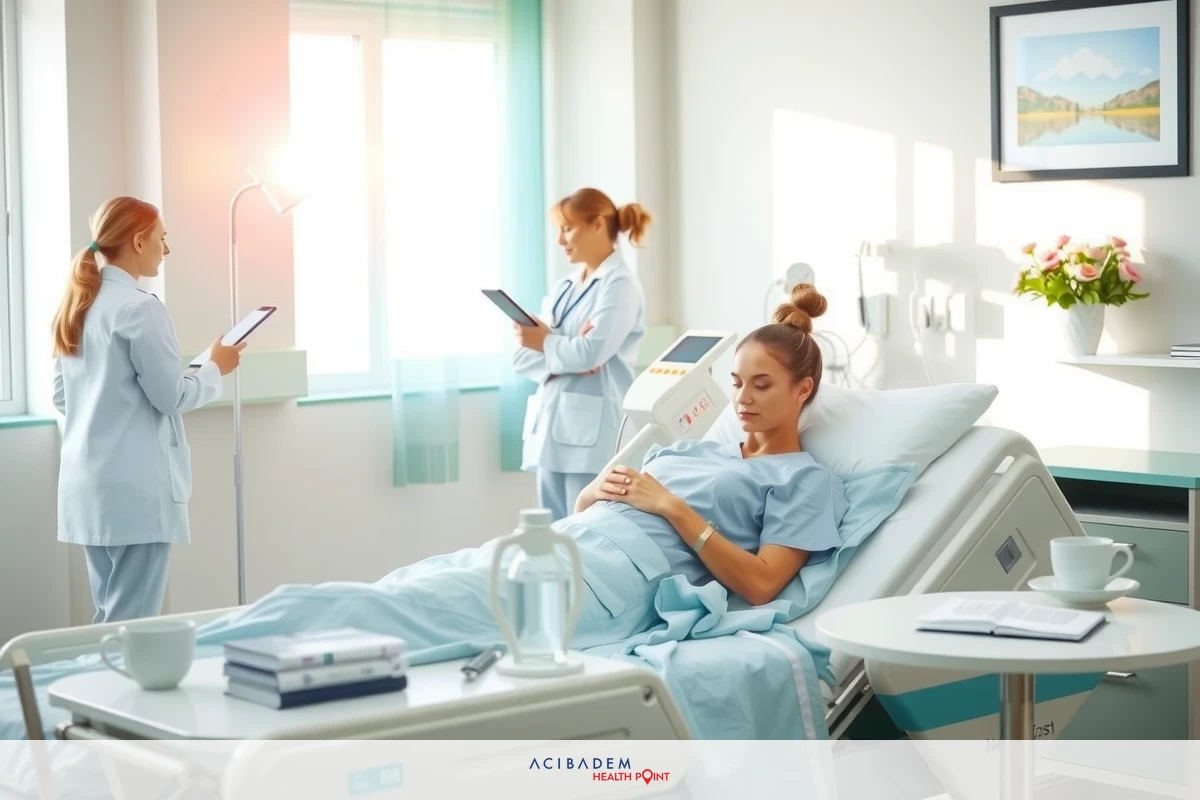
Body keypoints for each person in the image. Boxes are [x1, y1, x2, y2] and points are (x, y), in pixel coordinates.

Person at [197, 284, 847, 659]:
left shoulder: (803, 480)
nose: (741, 399)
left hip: (610, 584)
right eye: (736, 382)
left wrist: (671, 507)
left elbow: (763, 585)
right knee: (403, 586)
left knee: (407, 615)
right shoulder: (700, 449)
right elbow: (596, 501)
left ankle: (201, 650)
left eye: (762, 385)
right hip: (566, 545)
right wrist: (606, 491)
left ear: (803, 390)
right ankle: (196, 642)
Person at [52, 196, 245, 624]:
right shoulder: (140, 308)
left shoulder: (79, 306)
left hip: (90, 488)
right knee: (132, 624)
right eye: (163, 238)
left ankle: (97, 687)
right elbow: (172, 397)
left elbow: (63, 397)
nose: (167, 249)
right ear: (139, 241)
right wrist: (216, 367)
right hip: (137, 492)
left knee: (109, 616)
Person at [512, 187, 652, 522]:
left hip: (591, 436)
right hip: (548, 429)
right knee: (550, 534)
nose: (561, 240)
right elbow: (520, 358)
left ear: (598, 224)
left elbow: (591, 353)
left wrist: (550, 343)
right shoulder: (564, 287)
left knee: (586, 531)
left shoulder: (619, 285)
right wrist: (566, 349)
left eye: (568, 228)